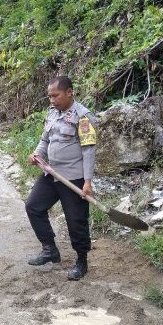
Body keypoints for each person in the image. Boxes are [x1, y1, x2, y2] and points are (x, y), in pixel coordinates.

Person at [26, 76, 97, 281]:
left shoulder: (83, 117)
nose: (52, 100)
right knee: (33, 206)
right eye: (49, 96)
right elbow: (45, 139)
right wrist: (37, 154)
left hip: (73, 178)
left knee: (76, 221)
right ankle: (50, 249)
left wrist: (88, 182)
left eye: (55, 95)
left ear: (69, 92)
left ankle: (81, 261)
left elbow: (89, 150)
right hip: (51, 173)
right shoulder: (52, 113)